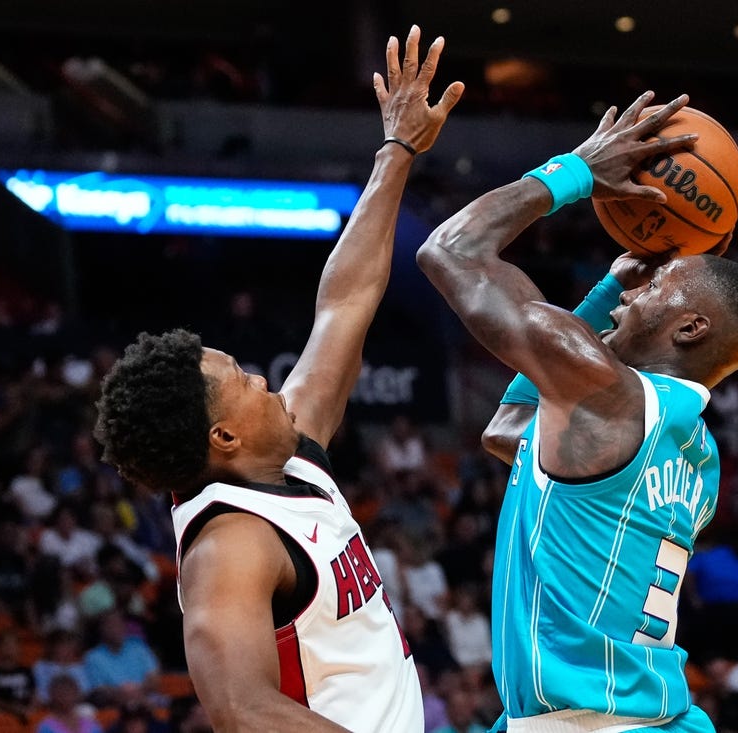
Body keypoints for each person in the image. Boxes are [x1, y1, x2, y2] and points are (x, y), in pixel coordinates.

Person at [92, 25, 463, 732]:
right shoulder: (229, 544)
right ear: (223, 434)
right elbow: (241, 709)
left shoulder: (292, 456)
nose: (265, 377)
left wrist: (397, 152)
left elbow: (345, 303)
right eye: (240, 377)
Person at [417, 91, 738, 732]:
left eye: (656, 288)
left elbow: (452, 251)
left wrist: (579, 169)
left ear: (690, 328)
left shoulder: (608, 397)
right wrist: (611, 284)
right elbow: (509, 433)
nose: (632, 294)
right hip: (642, 716)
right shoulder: (700, 458)